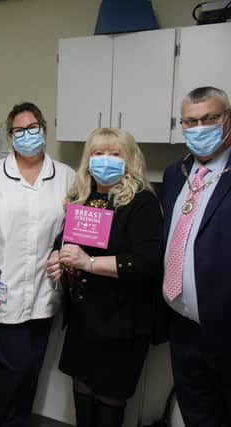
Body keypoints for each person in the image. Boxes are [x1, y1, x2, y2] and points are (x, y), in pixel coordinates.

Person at [46, 128, 163, 426]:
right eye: (98, 153)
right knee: (82, 390)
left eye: (115, 153)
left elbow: (147, 262)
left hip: (122, 322)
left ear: (130, 159)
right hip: (85, 319)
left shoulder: (142, 202)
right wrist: (56, 256)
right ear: (88, 160)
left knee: (110, 397)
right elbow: (65, 240)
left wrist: (89, 262)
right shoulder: (84, 198)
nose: (105, 160)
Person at [0, 102, 75, 427]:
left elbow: (68, 233)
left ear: (44, 129)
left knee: (31, 369)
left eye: (33, 128)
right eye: (19, 130)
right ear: (10, 135)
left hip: (44, 292)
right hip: (0, 290)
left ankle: (11, 420)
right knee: (10, 369)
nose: (27, 135)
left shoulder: (66, 177)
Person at [162, 86, 231, 425]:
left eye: (210, 118)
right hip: (183, 324)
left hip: (225, 326)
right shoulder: (178, 174)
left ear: (227, 119)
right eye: (190, 121)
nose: (200, 128)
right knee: (197, 414)